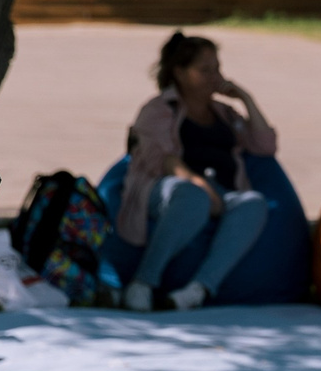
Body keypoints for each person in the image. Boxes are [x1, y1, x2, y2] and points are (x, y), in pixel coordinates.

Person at [116, 32, 280, 312]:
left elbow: (265, 146)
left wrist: (246, 98)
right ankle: (142, 283)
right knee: (191, 195)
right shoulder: (158, 109)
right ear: (179, 73)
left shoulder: (225, 114)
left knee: (254, 203)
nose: (215, 76)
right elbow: (161, 159)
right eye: (205, 70)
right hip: (169, 188)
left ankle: (197, 290)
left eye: (217, 68)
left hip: (223, 191)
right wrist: (199, 185)